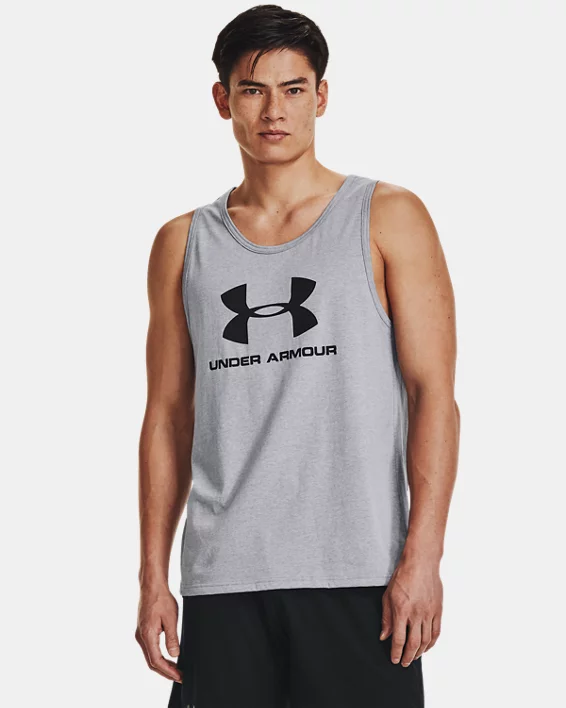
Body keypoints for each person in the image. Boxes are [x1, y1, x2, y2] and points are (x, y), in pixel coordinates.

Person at [135, 5, 460, 707]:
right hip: (224, 579)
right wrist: (152, 577)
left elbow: (433, 394)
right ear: (222, 99)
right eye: (253, 90)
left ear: (322, 96)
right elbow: (167, 416)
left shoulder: (387, 216)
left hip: (360, 575)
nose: (273, 111)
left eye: (293, 88)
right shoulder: (183, 243)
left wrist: (424, 557)